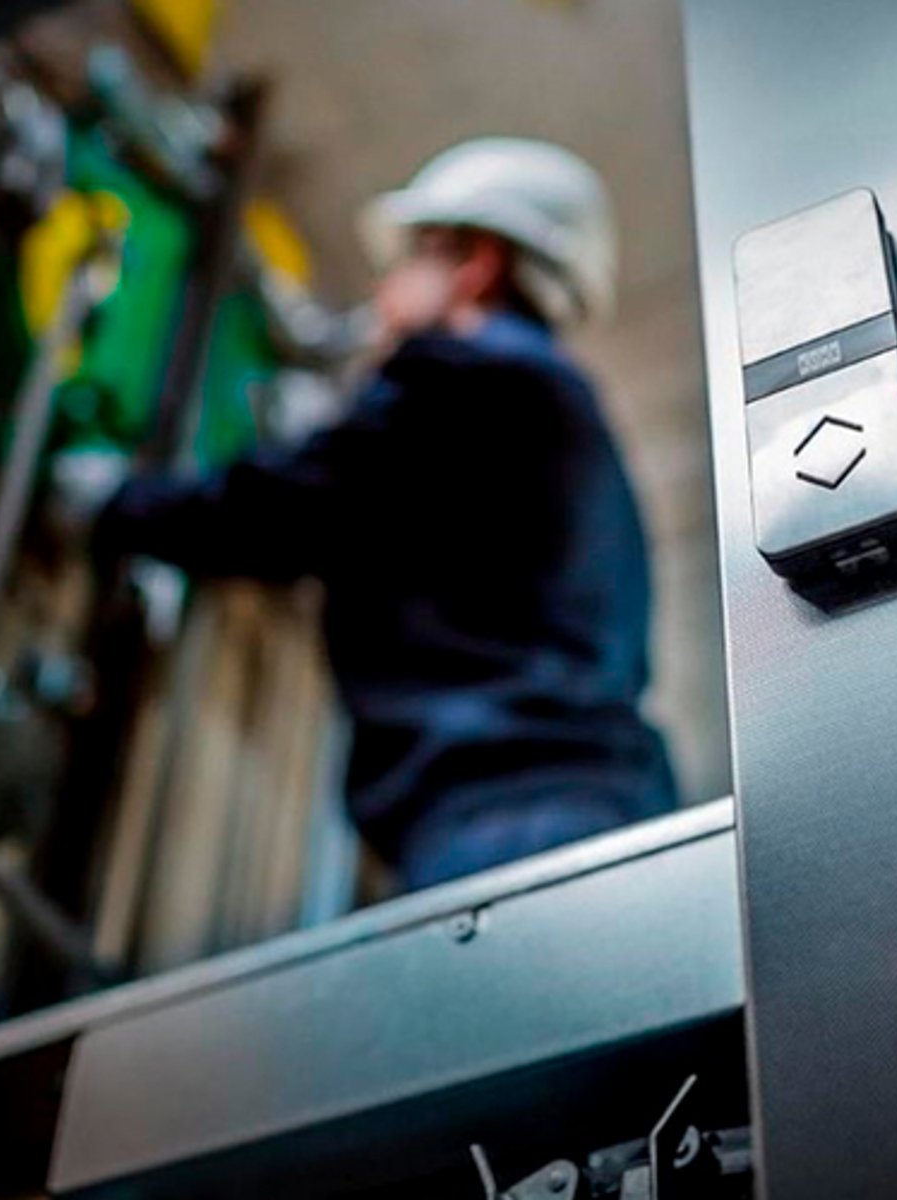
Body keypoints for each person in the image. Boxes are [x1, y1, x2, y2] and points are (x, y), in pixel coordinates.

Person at [89, 137, 676, 889]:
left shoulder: (470, 373)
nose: (385, 292)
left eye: (409, 260)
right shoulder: (557, 410)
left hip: (510, 815)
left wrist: (114, 503)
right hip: (592, 805)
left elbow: (280, 511)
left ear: (475, 263)